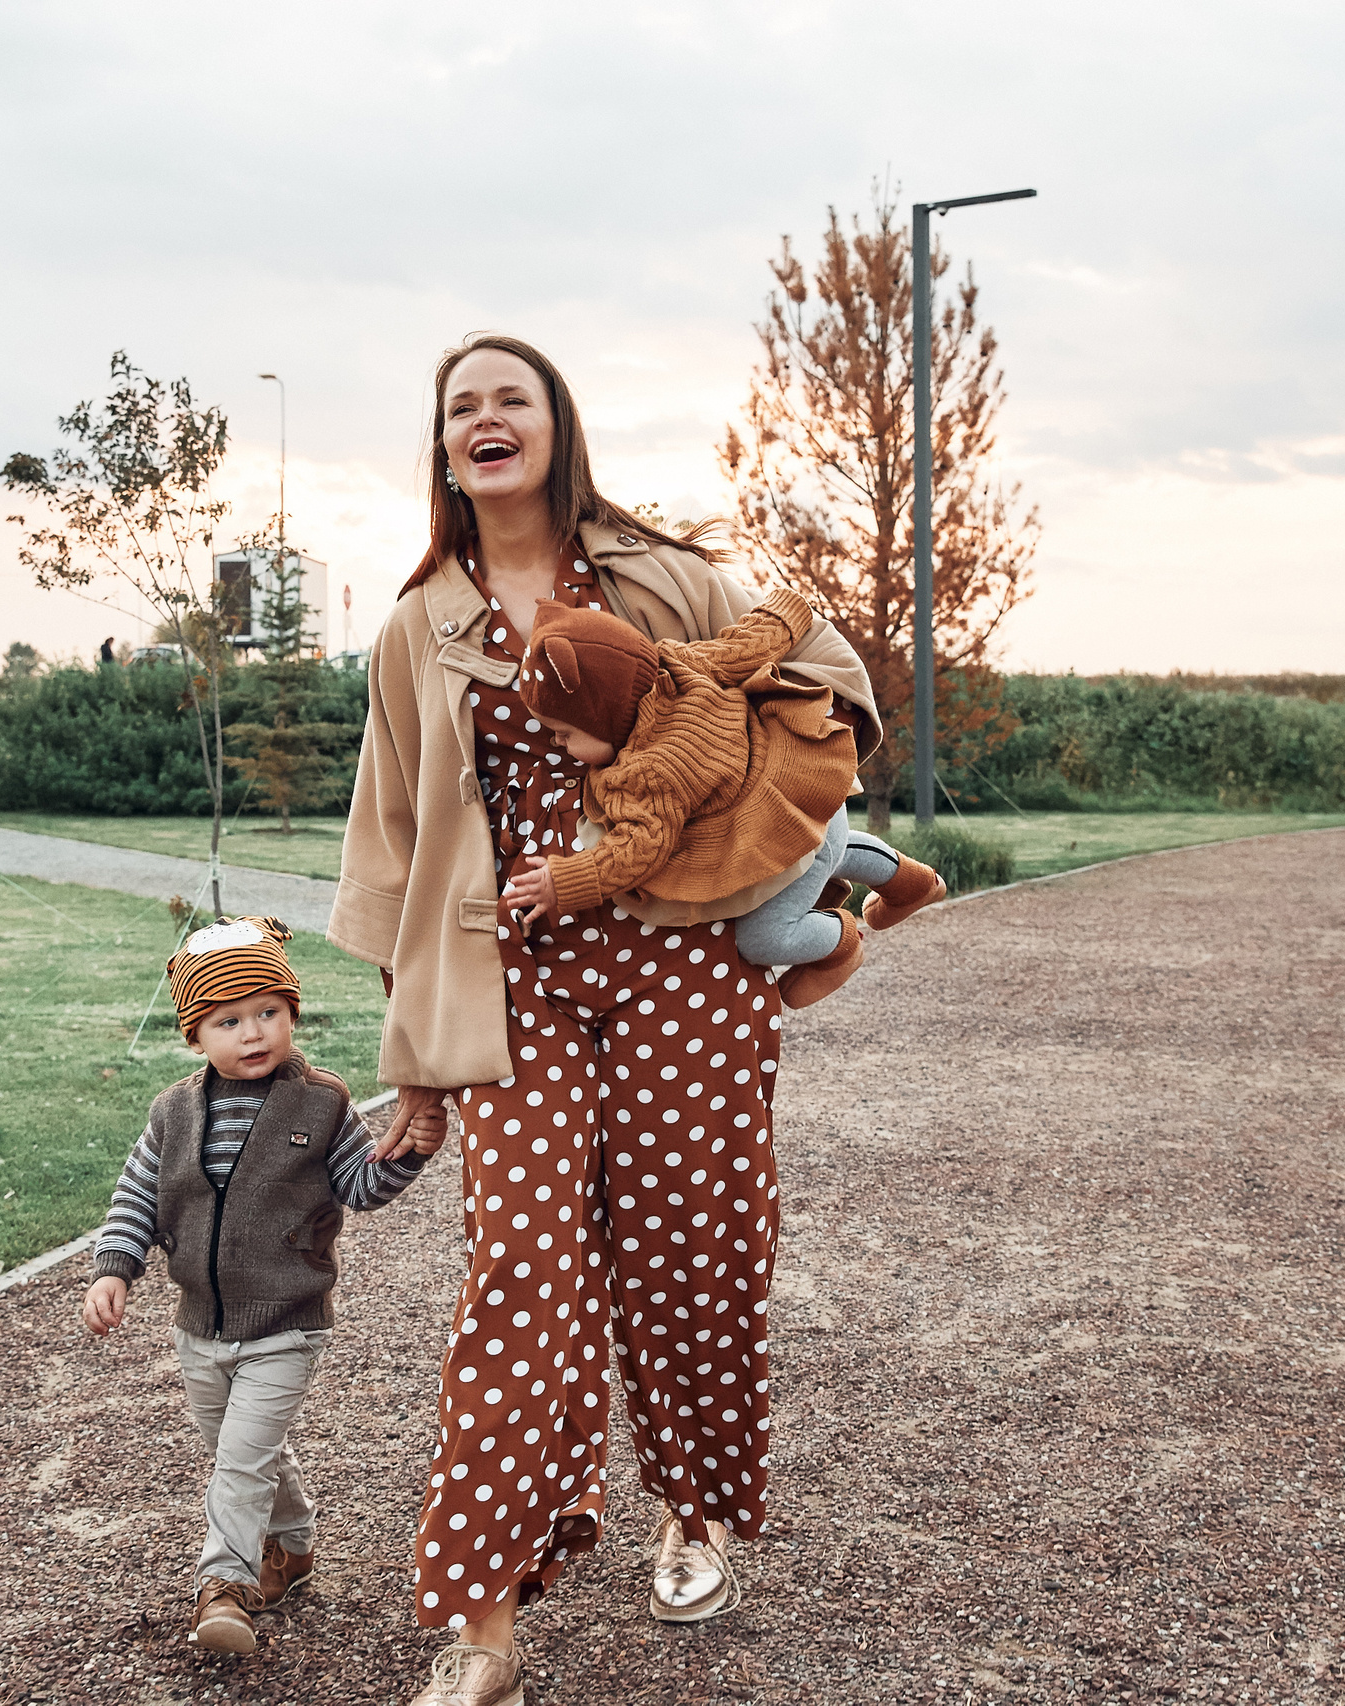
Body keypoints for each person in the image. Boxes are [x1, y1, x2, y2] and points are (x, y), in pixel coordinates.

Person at [331, 333, 882, 1706]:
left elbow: (820, 664)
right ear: (447, 449)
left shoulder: (664, 574)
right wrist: (413, 1059)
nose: (484, 418)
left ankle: (685, 1506)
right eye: (462, 406)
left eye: (510, 397)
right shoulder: (421, 624)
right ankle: (486, 1615)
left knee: (694, 1232)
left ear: (556, 429)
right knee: (519, 1262)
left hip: (684, 959)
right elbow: (390, 849)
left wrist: (764, 799)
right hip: (510, 974)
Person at [79, 916, 435, 1656]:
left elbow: (361, 1187)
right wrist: (114, 1270)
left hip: (286, 1323)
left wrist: (410, 1155)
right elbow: (136, 1199)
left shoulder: (322, 1104)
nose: (254, 1033)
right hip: (200, 1326)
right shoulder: (173, 1113)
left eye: (269, 1013)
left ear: (292, 1012)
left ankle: (225, 1586)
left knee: (240, 1460)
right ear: (195, 1035)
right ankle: (294, 1544)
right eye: (229, 1020)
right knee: (244, 1452)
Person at [502, 595, 948, 1008]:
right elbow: (745, 646)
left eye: (565, 734)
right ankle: (909, 881)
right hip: (802, 787)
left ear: (604, 713)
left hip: (790, 814)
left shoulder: (654, 769)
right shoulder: (677, 663)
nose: (559, 745)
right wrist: (786, 609)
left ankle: (841, 944)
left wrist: (567, 881)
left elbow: (641, 847)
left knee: (762, 937)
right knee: (827, 848)